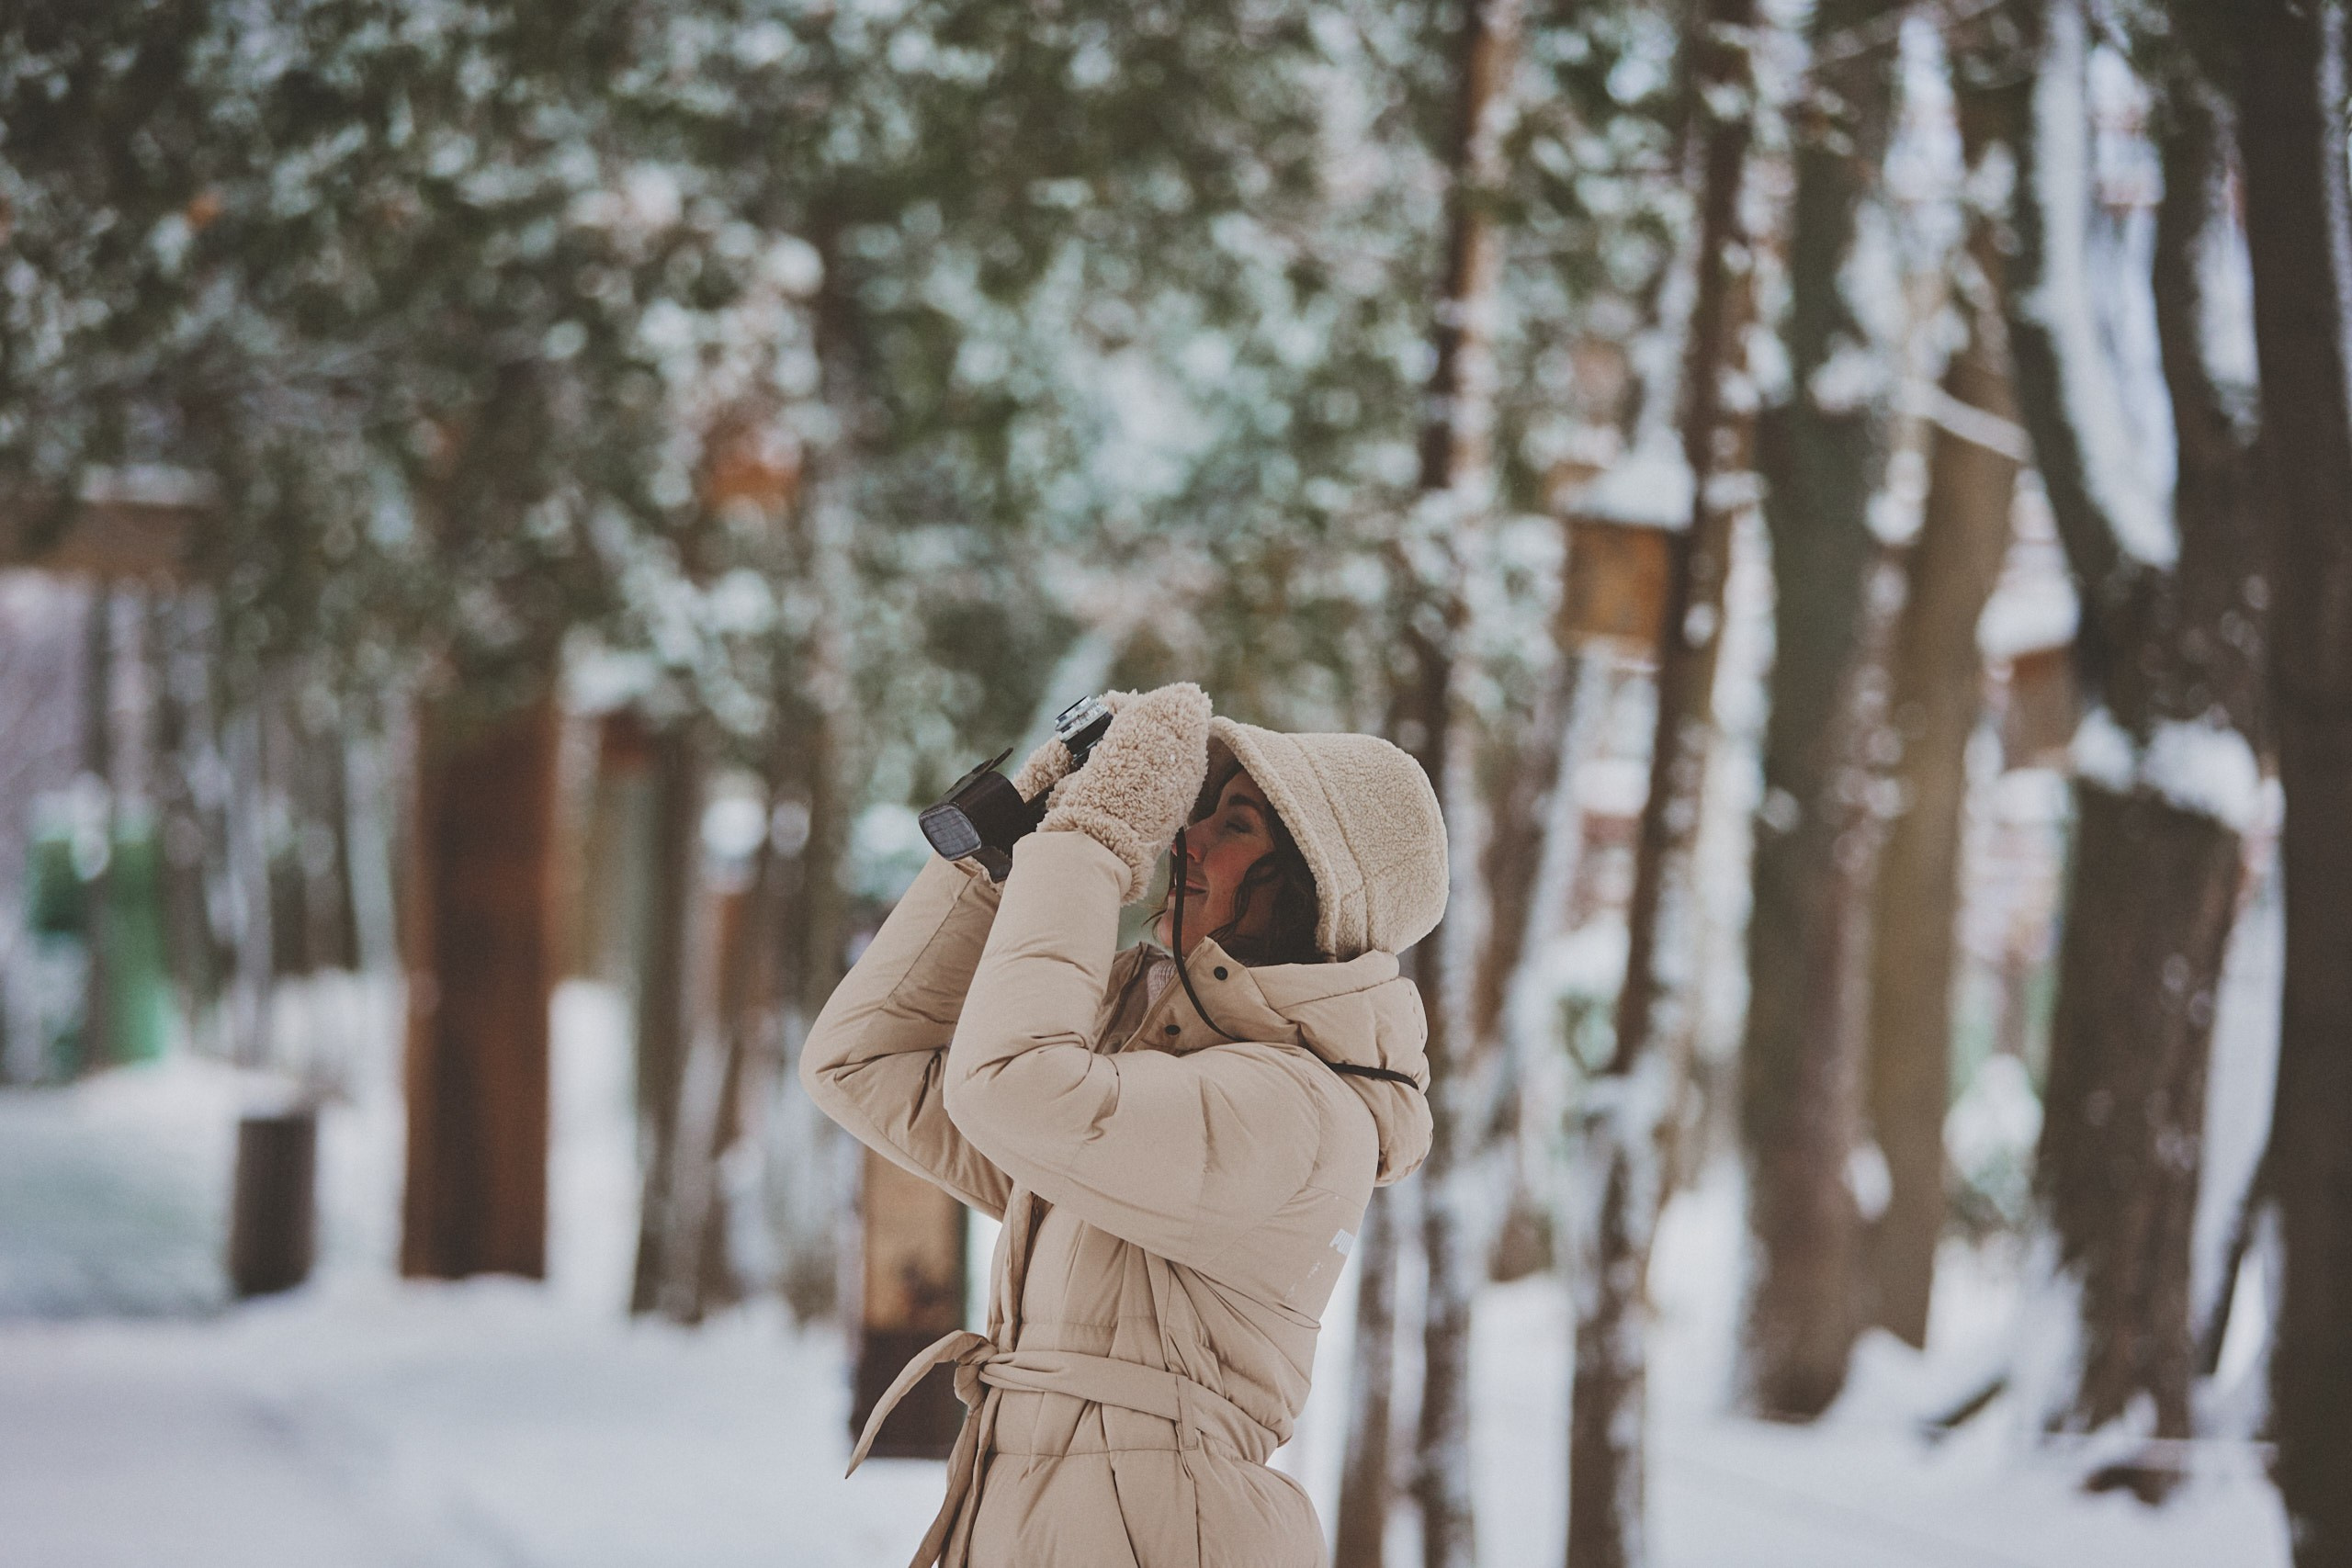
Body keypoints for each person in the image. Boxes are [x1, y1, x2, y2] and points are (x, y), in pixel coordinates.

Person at [800, 682, 1448, 1568]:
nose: (1185, 837)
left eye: (1238, 824)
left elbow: (1011, 1084)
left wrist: (1090, 842)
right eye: (1197, 811)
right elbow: (865, 1063)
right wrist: (1007, 855)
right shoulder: (1151, 1074)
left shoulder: (1303, 1112)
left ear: (1311, 890)